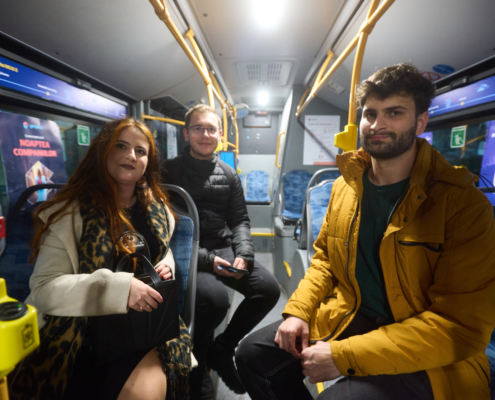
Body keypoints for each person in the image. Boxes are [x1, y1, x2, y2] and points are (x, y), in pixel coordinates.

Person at [235, 63, 495, 400]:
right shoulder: (345, 187)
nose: (378, 124)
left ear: (420, 122)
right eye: (370, 114)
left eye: (394, 113)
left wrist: (343, 356)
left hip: (425, 340)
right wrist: (299, 310)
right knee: (252, 356)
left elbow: (459, 326)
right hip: (353, 313)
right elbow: (325, 260)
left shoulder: (461, 203)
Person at [8, 118, 192, 400]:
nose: (132, 156)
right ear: (102, 151)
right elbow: (44, 290)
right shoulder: (71, 213)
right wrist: (118, 289)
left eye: (141, 151)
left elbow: (163, 249)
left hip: (145, 326)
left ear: (148, 162)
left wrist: (166, 264)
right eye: (121, 146)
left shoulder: (157, 209)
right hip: (80, 330)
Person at [162, 104, 280, 399]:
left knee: (268, 290)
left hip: (219, 245)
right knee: (213, 301)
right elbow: (164, 227)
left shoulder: (228, 174)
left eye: (211, 129)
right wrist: (207, 261)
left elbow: (239, 220)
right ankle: (198, 364)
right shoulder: (167, 171)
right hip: (183, 248)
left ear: (220, 134)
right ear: (186, 133)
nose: (205, 134)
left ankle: (222, 349)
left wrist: (244, 255)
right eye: (198, 128)